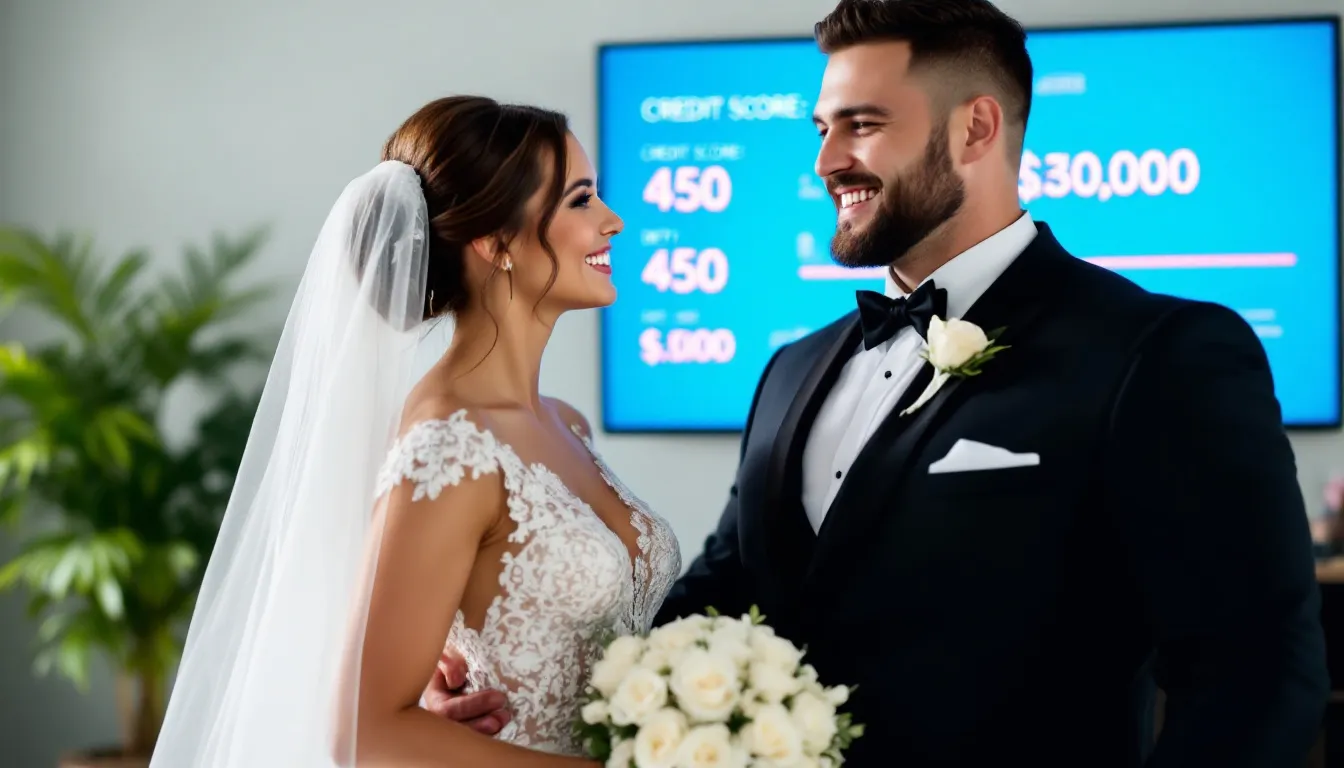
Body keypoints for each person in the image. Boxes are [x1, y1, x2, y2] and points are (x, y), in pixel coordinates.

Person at [429, 1, 1330, 765]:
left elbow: (1253, 677)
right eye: (823, 129)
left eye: (862, 125)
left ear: (975, 127)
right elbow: (724, 597)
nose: (826, 162)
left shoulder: (1159, 352)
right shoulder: (792, 370)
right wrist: (507, 672)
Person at [148, 95, 680, 767]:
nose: (613, 220)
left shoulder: (566, 423)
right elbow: (365, 732)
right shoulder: (449, 447)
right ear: (497, 244)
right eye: (580, 201)